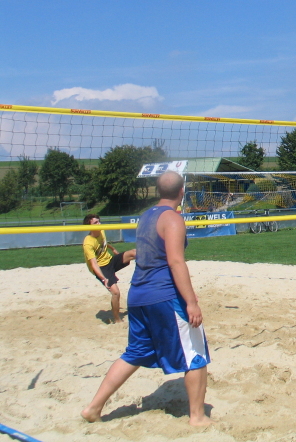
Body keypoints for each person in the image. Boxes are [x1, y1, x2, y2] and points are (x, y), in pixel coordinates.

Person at [82, 171, 212, 427]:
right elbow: (175, 262)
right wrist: (191, 302)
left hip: (138, 294)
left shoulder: (145, 216)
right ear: (182, 191)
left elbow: (147, 256)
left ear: (158, 191)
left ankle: (93, 408)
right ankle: (197, 417)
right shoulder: (172, 219)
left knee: (135, 353)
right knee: (195, 353)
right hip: (163, 295)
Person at [82, 213, 136, 324]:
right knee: (116, 293)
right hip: (101, 268)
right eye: (96, 222)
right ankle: (117, 320)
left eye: (99, 221)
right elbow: (94, 264)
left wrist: (113, 248)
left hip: (110, 261)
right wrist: (103, 278)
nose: (99, 223)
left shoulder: (101, 231)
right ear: (89, 226)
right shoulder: (88, 243)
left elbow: (103, 243)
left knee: (134, 252)